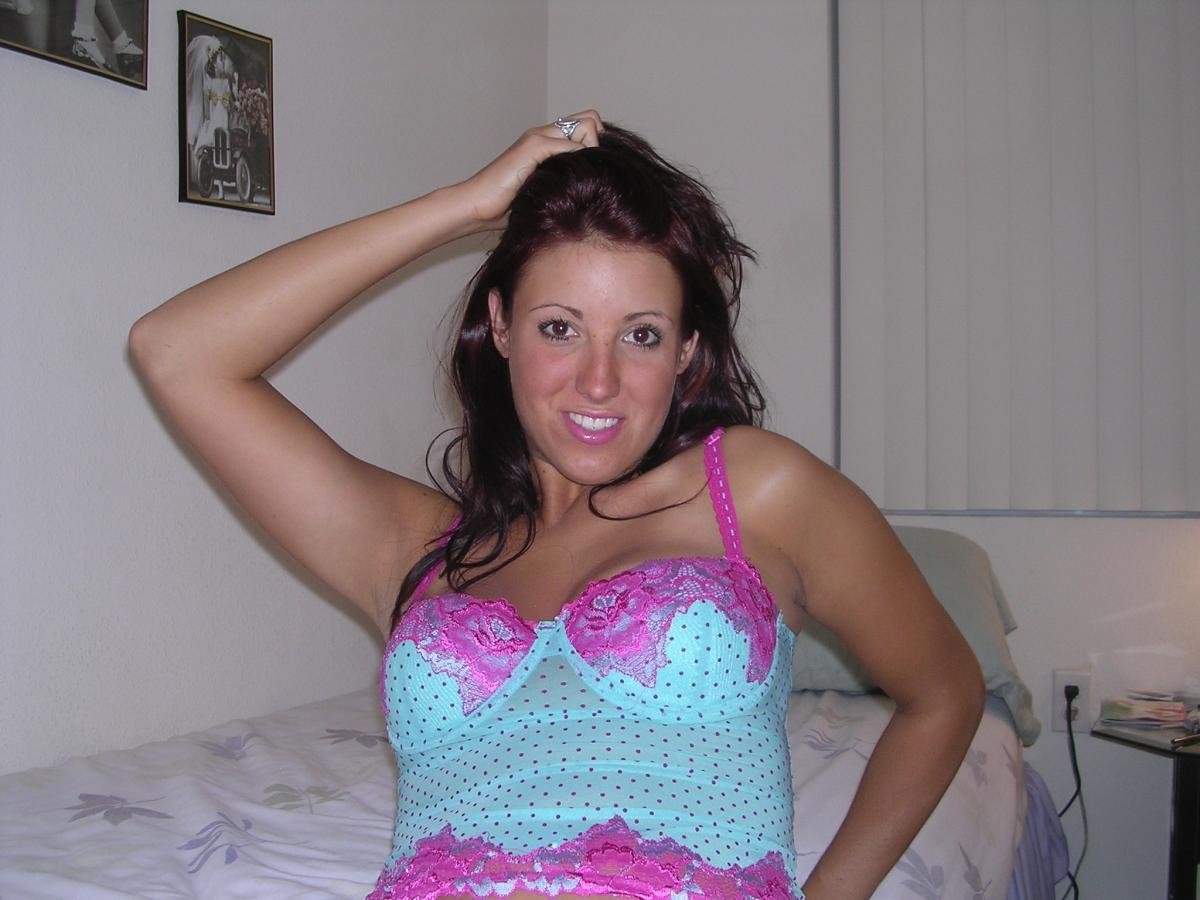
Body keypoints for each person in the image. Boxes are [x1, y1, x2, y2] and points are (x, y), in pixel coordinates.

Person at [129, 111, 984, 900]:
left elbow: (944, 693)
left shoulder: (755, 493)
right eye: (559, 328)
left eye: (640, 335)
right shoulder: (416, 548)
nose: (599, 381)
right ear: (500, 326)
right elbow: (177, 354)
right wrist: (465, 208)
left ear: (686, 352)